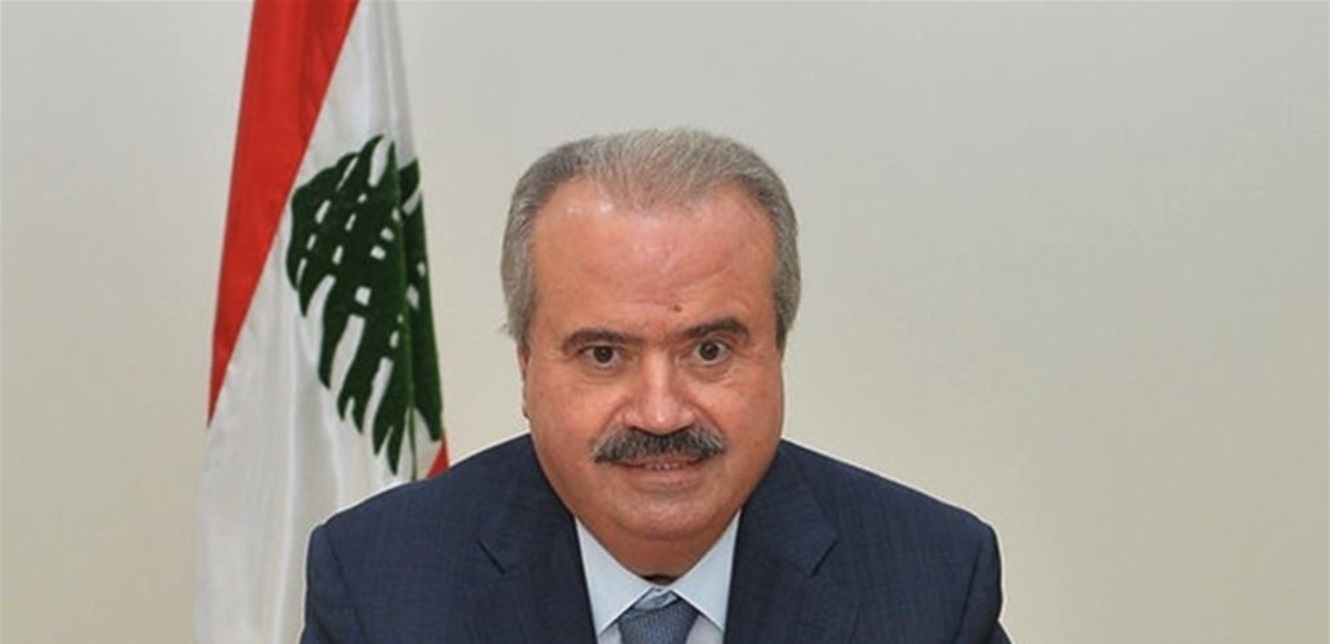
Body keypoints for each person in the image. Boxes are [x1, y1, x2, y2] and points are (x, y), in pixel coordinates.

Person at [300, 128, 1011, 643]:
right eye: (604, 354)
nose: (661, 412)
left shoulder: (933, 581)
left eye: (709, 350)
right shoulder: (379, 588)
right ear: (525, 365)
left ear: (778, 350)